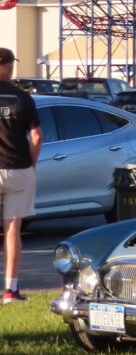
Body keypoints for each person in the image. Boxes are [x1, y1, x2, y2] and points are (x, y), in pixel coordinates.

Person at [0, 48, 42, 304]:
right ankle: (10, 290)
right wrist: (32, 164)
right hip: (18, 169)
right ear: (6, 66)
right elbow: (36, 136)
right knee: (12, 230)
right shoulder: (23, 98)